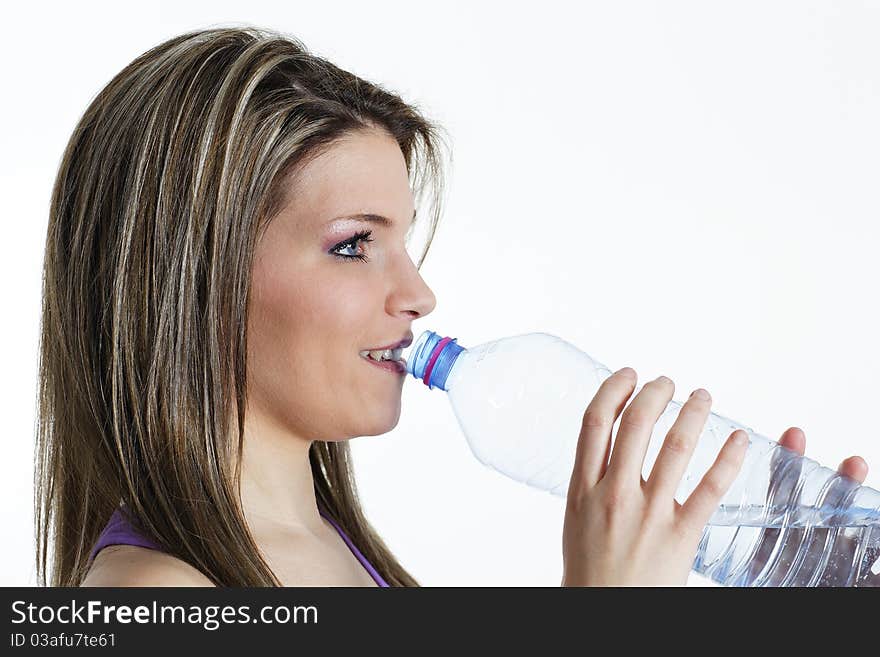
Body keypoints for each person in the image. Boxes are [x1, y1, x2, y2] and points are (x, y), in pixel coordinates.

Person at [35, 26, 869, 588]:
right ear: (195, 275)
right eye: (354, 244)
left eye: (404, 242)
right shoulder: (155, 594)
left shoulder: (329, 550)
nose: (419, 294)